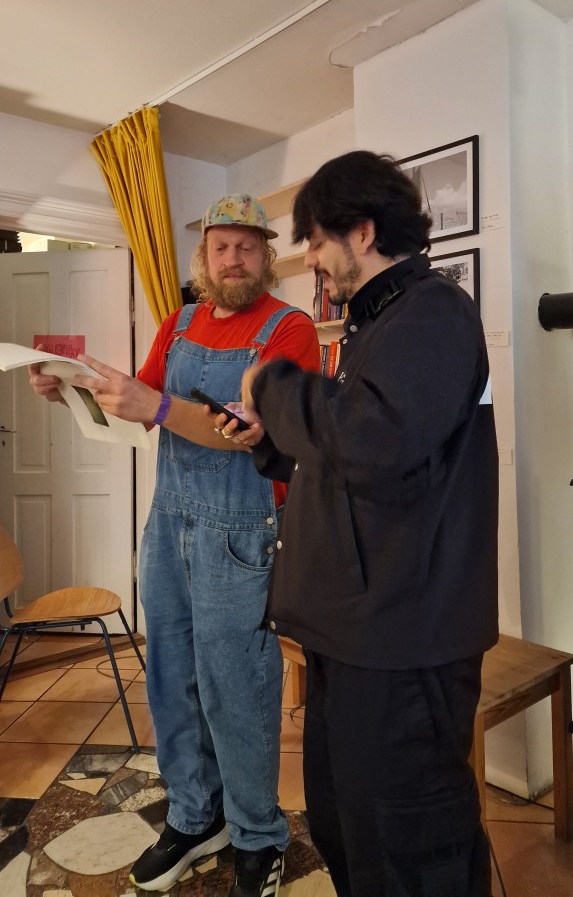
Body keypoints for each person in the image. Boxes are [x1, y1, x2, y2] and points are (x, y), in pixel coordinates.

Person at [29, 194, 321, 897]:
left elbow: (257, 435)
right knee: (169, 678)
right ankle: (194, 817)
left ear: (266, 255)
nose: (233, 258)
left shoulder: (290, 330)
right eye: (221, 246)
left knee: (235, 688)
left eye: (247, 246)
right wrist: (70, 389)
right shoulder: (180, 322)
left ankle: (257, 835)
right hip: (168, 523)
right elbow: (136, 408)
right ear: (204, 256)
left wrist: (155, 405)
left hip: (241, 532)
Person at [240, 152, 499, 897]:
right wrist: (269, 437)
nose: (311, 259)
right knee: (346, 826)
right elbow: (356, 457)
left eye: (317, 240)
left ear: (362, 231)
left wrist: (274, 385)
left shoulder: (434, 313)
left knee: (409, 848)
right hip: (353, 633)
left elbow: (376, 442)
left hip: (403, 639)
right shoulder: (376, 327)